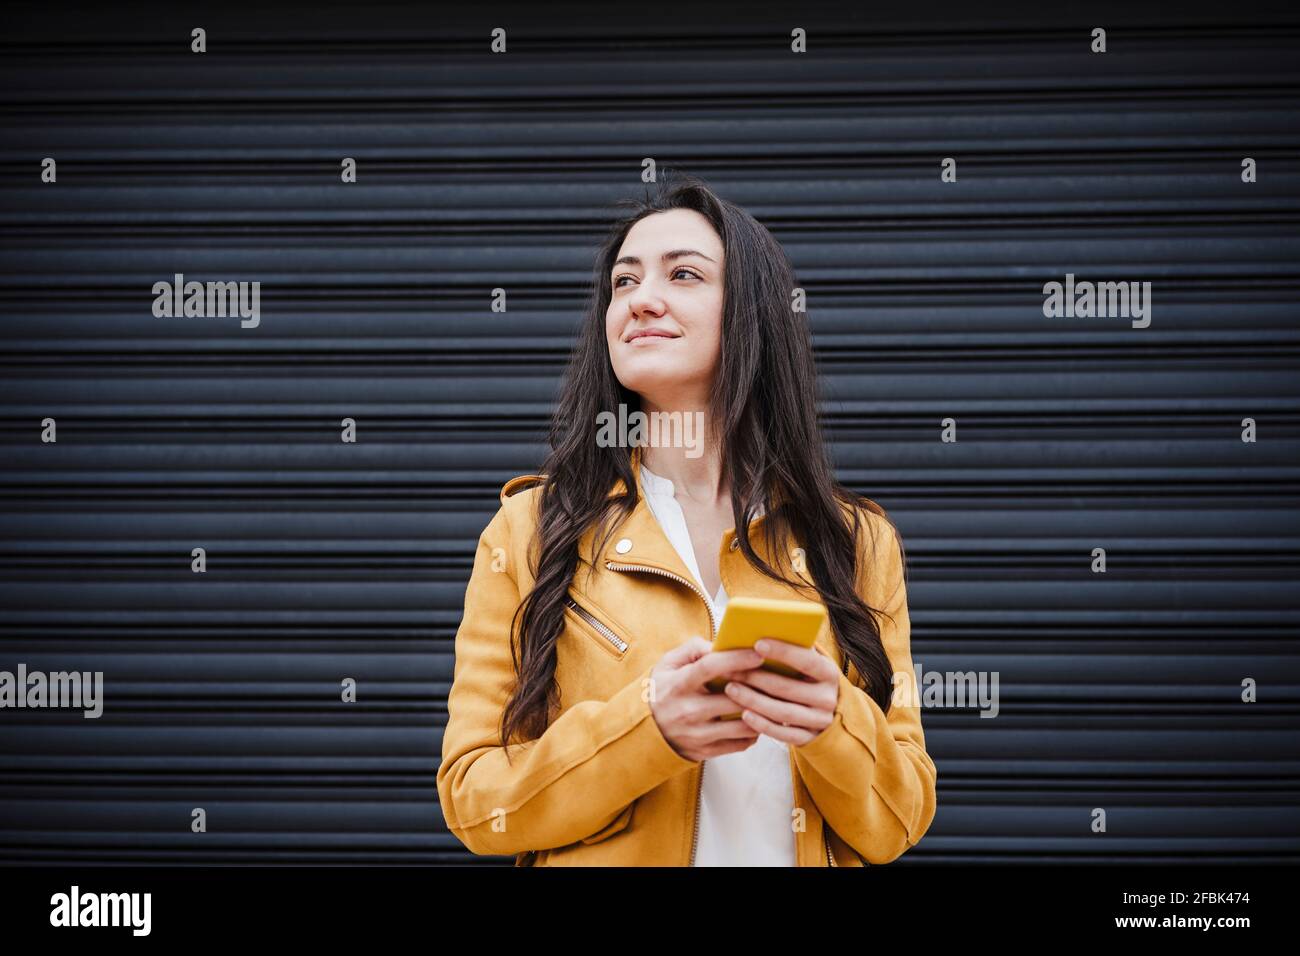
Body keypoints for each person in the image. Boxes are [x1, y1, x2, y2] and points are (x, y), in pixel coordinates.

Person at [436, 171, 937, 866]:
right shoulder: (529, 530)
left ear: (752, 313)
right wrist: (646, 728)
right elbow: (474, 800)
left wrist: (836, 724)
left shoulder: (855, 542)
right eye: (624, 282)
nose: (642, 301)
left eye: (683, 275)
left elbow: (900, 820)